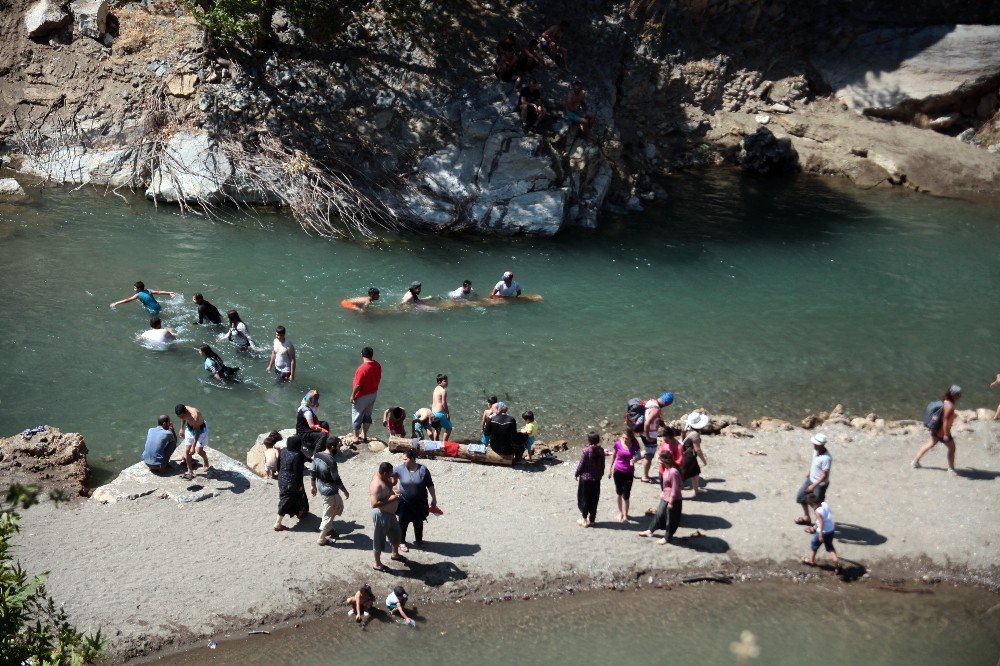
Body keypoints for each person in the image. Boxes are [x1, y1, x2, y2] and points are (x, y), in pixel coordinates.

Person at [394, 448, 438, 551]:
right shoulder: (399, 469)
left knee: (419, 522)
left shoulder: (423, 470)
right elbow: (388, 479)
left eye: (405, 459)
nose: (403, 461)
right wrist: (395, 488)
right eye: (403, 459)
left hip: (420, 502)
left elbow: (430, 485)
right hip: (404, 502)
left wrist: (434, 498)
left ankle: (419, 540)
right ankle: (402, 542)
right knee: (403, 523)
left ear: (413, 459)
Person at [912, 385, 962, 473]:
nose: (960, 396)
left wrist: (954, 415)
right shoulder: (950, 406)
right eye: (958, 394)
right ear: (954, 395)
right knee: (952, 448)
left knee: (929, 444)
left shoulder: (944, 401)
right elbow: (945, 420)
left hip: (935, 430)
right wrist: (946, 434)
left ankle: (915, 462)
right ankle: (951, 468)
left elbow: (943, 415)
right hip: (942, 432)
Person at [311, 436, 350, 546]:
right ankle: (322, 538)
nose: (340, 447)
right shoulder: (331, 461)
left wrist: (313, 486)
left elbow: (313, 472)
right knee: (329, 513)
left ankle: (329, 528)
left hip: (321, 487)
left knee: (338, 506)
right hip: (330, 491)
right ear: (332, 447)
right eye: (338, 445)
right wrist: (345, 491)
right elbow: (336, 479)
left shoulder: (317, 455)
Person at [638, 451, 683, 544]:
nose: (658, 460)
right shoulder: (666, 469)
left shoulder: (673, 471)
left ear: (665, 460)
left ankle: (667, 537)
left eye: (659, 459)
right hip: (665, 497)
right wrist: (663, 492)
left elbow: (676, 487)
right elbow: (666, 484)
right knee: (659, 514)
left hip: (673, 499)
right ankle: (650, 530)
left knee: (671, 519)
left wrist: (671, 501)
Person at [370, 461, 404, 571]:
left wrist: (395, 478)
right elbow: (374, 504)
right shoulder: (376, 484)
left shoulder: (385, 477)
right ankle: (377, 563)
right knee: (379, 540)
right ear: (384, 473)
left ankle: (395, 554)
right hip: (381, 514)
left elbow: (391, 484)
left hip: (390, 514)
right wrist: (391, 499)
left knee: (397, 533)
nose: (391, 474)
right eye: (389, 473)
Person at [274, 434, 309, 531]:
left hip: (281, 479)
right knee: (286, 500)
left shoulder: (284, 450)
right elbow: (298, 473)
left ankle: (299, 512)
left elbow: (278, 464)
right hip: (291, 482)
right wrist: (300, 485)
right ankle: (278, 523)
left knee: (287, 498)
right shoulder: (297, 455)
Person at [795, 434, 832, 525]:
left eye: (815, 444)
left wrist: (813, 485)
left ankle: (818, 524)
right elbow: (814, 463)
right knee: (801, 497)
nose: (813, 445)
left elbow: (824, 475)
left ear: (821, 445)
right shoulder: (816, 451)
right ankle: (807, 517)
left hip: (819, 485)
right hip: (811, 480)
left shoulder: (826, 458)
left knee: (817, 504)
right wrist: (809, 471)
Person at [608, 429, 641, 523]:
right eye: (623, 437)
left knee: (626, 495)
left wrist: (635, 459)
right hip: (618, 471)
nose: (624, 439)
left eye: (626, 438)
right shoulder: (618, 444)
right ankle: (620, 512)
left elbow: (638, 454)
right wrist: (610, 469)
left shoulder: (635, 444)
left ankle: (626, 515)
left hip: (629, 472)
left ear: (631, 438)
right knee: (619, 493)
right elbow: (613, 455)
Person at [640, 392, 674, 483]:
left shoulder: (651, 402)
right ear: (666, 403)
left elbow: (654, 418)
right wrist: (648, 437)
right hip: (649, 435)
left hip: (643, 432)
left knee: (648, 451)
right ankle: (645, 476)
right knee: (649, 456)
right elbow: (647, 423)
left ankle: (632, 459)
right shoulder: (656, 409)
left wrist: (663, 425)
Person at [802, 493, 840, 569]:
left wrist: (820, 535)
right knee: (829, 547)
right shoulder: (824, 504)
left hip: (823, 532)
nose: (812, 507)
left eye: (811, 506)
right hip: (831, 529)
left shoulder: (818, 511)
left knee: (814, 545)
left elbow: (821, 522)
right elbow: (824, 518)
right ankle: (836, 562)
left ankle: (811, 560)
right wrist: (814, 527)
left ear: (813, 504)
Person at [574, 432, 605, 527]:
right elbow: (602, 466)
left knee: (584, 498)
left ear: (589, 440)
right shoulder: (601, 451)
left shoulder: (586, 451)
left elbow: (581, 465)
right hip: (596, 479)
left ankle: (584, 520)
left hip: (585, 479)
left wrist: (576, 474)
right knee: (594, 499)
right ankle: (592, 520)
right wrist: (600, 475)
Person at [351, 347, 382, 442]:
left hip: (362, 395)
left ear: (362, 355)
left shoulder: (362, 368)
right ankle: (364, 435)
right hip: (373, 393)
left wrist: (353, 395)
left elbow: (358, 385)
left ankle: (355, 437)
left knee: (357, 415)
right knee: (368, 414)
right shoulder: (377, 365)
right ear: (372, 355)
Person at [174, 404, 210, 480]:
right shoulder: (184, 410)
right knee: (187, 451)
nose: (180, 418)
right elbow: (183, 419)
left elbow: (197, 432)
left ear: (185, 412)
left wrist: (193, 446)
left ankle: (206, 460)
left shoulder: (194, 416)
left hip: (200, 429)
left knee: (199, 451)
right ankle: (190, 471)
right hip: (190, 428)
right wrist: (181, 428)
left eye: (181, 416)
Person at [681, 411, 710, 498]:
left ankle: (696, 490)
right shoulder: (695, 434)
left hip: (686, 454)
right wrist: (704, 461)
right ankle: (674, 495)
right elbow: (698, 450)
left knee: (695, 473)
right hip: (689, 457)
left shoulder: (686, 429)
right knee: (682, 477)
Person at [296, 390, 330, 459]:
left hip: (309, 429)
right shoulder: (307, 411)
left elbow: (315, 418)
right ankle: (315, 455)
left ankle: (324, 444)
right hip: (305, 435)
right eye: (315, 399)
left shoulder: (311, 407)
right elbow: (312, 426)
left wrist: (318, 424)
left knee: (325, 424)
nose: (317, 400)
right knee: (323, 435)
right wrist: (323, 430)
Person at [110, 281, 175, 314]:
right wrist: (169, 293)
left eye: (135, 288)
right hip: (158, 306)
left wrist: (116, 303)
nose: (134, 289)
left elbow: (128, 300)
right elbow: (159, 292)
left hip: (152, 309)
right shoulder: (149, 290)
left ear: (139, 288)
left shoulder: (138, 295)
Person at [432, 374, 452, 441]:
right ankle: (444, 444)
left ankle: (435, 443)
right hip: (440, 413)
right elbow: (444, 403)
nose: (447, 382)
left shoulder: (436, 388)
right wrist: (447, 413)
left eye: (447, 381)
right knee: (449, 428)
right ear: (439, 382)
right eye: (445, 381)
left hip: (434, 411)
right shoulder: (443, 391)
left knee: (438, 428)